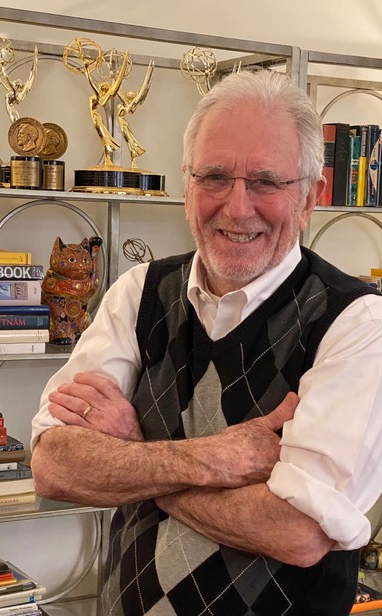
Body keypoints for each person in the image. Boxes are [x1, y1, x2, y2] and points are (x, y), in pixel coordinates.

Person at [31, 69, 382, 615]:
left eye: (266, 181)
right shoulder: (138, 292)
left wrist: (135, 454)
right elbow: (55, 464)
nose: (237, 208)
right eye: (214, 176)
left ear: (311, 197)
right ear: (187, 183)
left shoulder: (356, 322)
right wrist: (212, 461)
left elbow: (298, 531)